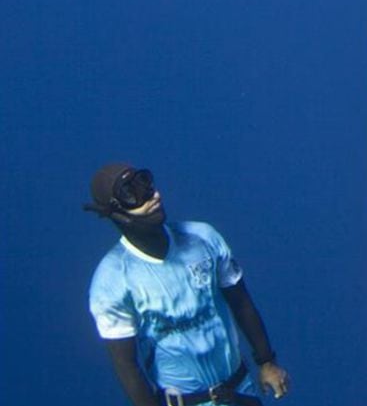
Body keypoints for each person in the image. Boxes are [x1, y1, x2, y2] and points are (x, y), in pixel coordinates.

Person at [85, 163, 291, 406]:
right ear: (115, 211)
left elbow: (242, 303)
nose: (152, 196)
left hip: (239, 391)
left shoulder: (203, 238)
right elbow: (126, 365)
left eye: (146, 183)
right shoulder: (111, 281)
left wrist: (266, 361)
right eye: (131, 193)